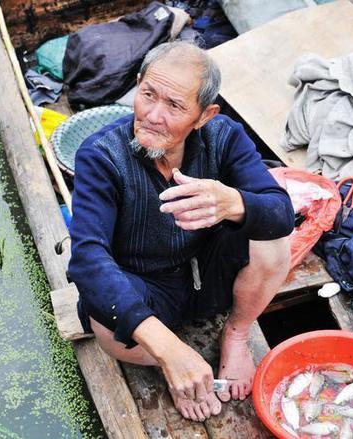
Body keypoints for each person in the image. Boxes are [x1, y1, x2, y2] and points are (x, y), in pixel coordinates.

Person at [67, 41, 295, 422]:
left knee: (273, 241)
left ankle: (236, 334)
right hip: (147, 286)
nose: (154, 115)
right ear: (137, 85)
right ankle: (166, 362)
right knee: (102, 322)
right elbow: (88, 259)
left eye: (174, 106)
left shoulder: (224, 136)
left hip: (210, 274)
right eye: (148, 95)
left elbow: (281, 212)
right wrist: (170, 352)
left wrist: (232, 203)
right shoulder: (100, 156)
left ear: (204, 115)